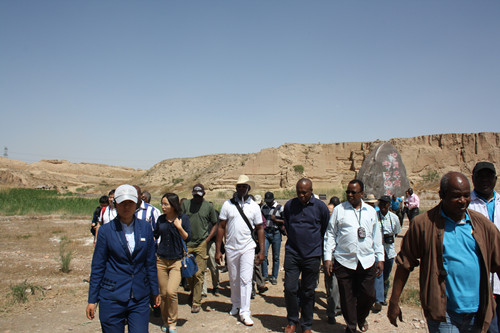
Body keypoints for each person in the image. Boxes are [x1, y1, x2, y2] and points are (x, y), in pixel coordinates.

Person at [388, 172, 500, 332]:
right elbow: (405, 263)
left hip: (477, 312)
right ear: (442, 195)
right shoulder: (424, 225)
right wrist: (394, 301)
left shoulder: (482, 226)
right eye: (456, 196)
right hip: (443, 313)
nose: (463, 201)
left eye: (466, 195)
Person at [86, 184, 160, 332]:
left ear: (137, 204)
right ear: (115, 204)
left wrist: (155, 290)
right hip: (112, 297)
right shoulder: (106, 231)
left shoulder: (145, 228)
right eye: (122, 203)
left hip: (139, 297)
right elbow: (98, 267)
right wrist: (92, 299)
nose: (126, 206)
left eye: (130, 202)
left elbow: (150, 263)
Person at [324, 179, 384, 333]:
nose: (350, 195)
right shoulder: (339, 210)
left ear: (361, 194)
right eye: (348, 192)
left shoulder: (371, 212)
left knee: (369, 295)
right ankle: (351, 327)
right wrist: (328, 257)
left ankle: (361, 317)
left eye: (353, 192)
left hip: (367, 260)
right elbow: (330, 234)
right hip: (344, 261)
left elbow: (377, 236)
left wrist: (380, 258)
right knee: (347, 298)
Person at [215, 175, 265, 327]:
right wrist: (218, 250)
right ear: (236, 188)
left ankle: (245, 312)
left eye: (244, 186)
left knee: (245, 279)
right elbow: (221, 227)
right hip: (231, 247)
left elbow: (260, 228)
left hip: (248, 247)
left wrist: (261, 250)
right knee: (234, 278)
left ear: (248, 188)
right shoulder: (228, 205)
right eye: (239, 186)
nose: (241, 189)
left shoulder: (254, 206)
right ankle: (236, 304)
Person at [283, 178, 330, 333]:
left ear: (311, 191)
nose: (301, 195)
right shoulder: (290, 205)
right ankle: (292, 321)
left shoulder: (320, 207)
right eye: (299, 192)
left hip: (312, 255)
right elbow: (288, 225)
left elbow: (324, 230)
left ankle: (307, 325)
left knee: (308, 291)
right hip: (293, 253)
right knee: (290, 288)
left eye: (304, 192)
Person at [469, 162, 500, 333]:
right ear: (473, 178)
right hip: (477, 279)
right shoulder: (465, 205)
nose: (485, 180)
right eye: (480, 176)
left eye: (489, 176)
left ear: (495, 179)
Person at [154, 193, 192, 333]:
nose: (163, 207)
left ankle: (172, 322)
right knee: (163, 293)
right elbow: (155, 235)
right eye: (162, 204)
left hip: (176, 261)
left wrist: (179, 227)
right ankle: (165, 320)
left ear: (173, 205)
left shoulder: (183, 218)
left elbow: (188, 238)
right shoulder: (160, 220)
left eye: (166, 204)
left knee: (171, 292)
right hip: (161, 260)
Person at [181, 183, 218, 313]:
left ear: (203, 194)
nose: (197, 198)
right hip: (187, 243)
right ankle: (193, 292)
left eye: (199, 195)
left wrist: (208, 239)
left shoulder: (208, 206)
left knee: (199, 273)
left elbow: (215, 223)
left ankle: (196, 302)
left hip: (201, 243)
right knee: (188, 273)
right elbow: (179, 221)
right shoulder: (186, 205)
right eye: (195, 195)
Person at [372, 195, 401, 312]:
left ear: (389, 205)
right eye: (381, 204)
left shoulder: (394, 218)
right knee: (377, 274)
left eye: (385, 204)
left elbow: (396, 232)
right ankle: (377, 299)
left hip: (389, 251)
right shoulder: (375, 217)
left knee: (386, 275)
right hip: (376, 252)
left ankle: (383, 297)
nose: (383, 206)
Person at [324, 196, 342, 324]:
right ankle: (333, 308)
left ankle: (334, 309)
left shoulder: (341, 219)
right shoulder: (324, 221)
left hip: (340, 255)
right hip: (328, 255)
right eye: (329, 211)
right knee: (331, 282)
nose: (331, 213)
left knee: (335, 284)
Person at [261, 191, 284, 286]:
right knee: (264, 255)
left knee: (276, 257)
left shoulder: (280, 208)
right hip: (266, 233)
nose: (268, 203)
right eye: (267, 201)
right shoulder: (263, 207)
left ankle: (274, 276)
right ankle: (265, 275)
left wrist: (276, 220)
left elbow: (285, 220)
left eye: (269, 201)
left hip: (276, 233)